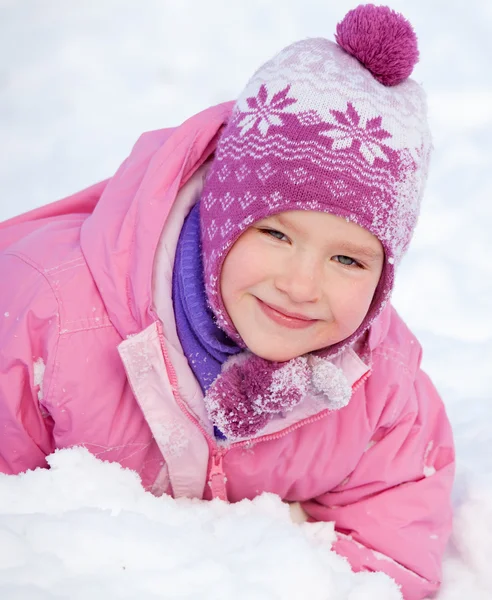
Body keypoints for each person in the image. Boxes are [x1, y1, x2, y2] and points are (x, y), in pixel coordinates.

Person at [0, 5, 454, 599]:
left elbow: (392, 558)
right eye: (275, 234)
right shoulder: (49, 322)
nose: (300, 285)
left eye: (347, 260)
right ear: (219, 218)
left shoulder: (382, 390)